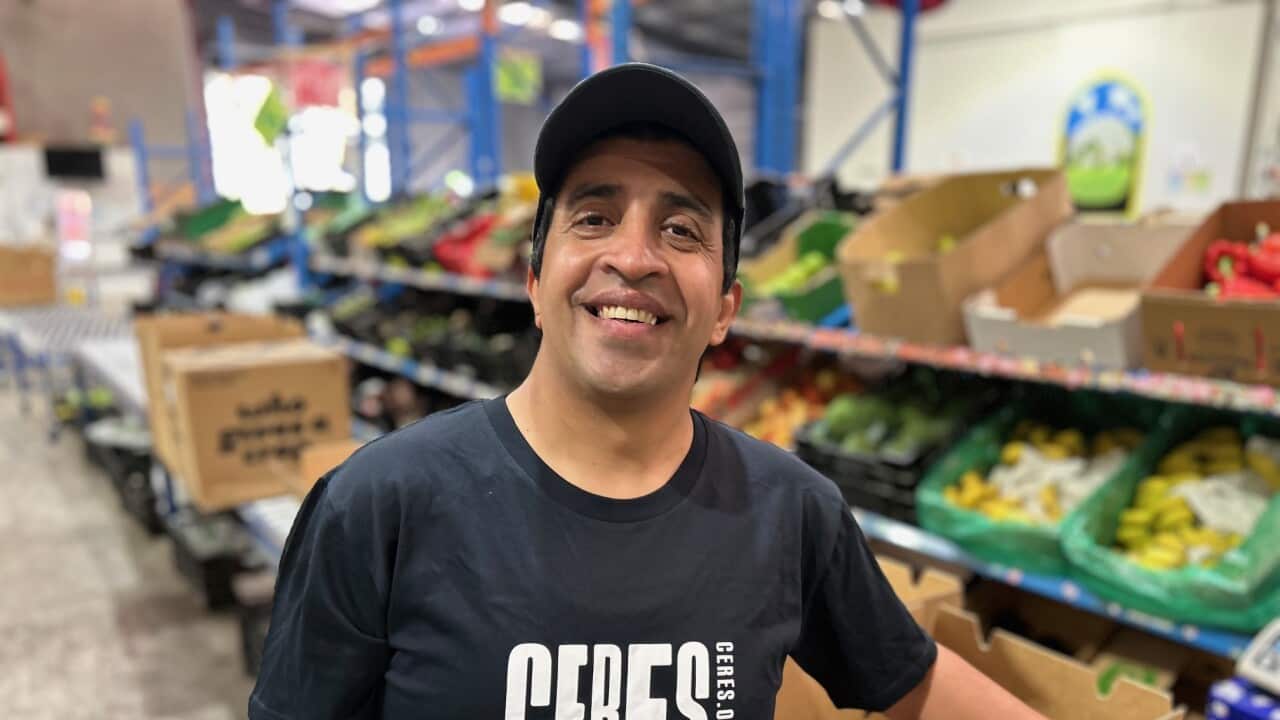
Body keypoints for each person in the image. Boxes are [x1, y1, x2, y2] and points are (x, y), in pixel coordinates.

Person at [250, 63, 1043, 720]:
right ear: (534, 280)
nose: (633, 257)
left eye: (681, 230)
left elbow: (915, 682)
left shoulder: (791, 512)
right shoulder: (381, 504)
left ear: (725, 309)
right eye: (594, 217)